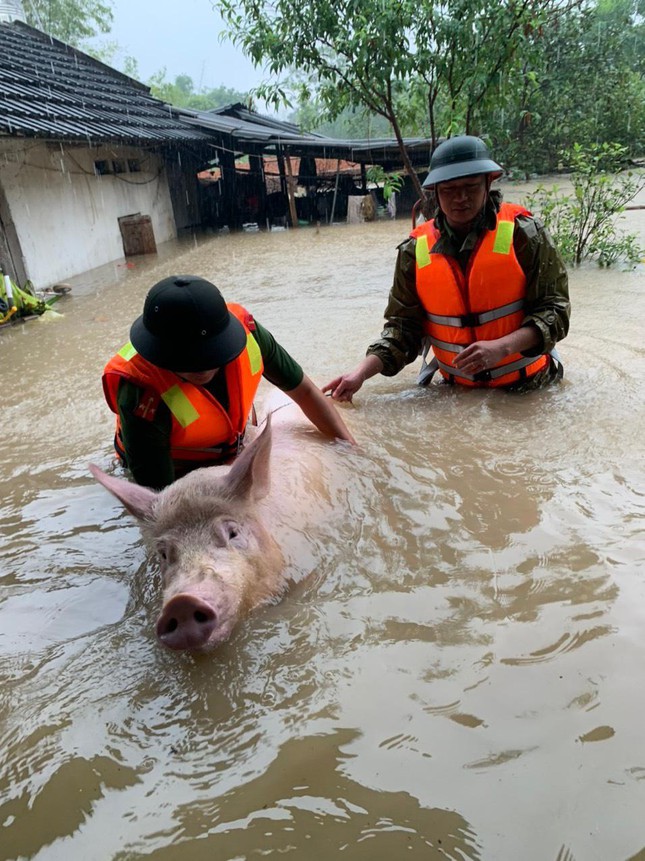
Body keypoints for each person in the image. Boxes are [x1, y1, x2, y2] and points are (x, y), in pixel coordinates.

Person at [324, 135, 570, 401]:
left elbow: (556, 312)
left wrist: (503, 347)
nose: (460, 198)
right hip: (457, 392)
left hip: (528, 389)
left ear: (488, 183)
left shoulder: (525, 233)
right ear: (436, 192)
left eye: (470, 187)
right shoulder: (414, 250)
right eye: (449, 190)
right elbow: (402, 330)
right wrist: (359, 373)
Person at [102, 275, 356, 489]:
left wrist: (352, 451)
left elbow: (306, 393)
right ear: (161, 353)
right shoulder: (140, 392)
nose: (201, 368)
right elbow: (159, 499)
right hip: (174, 465)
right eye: (188, 361)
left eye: (210, 355)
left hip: (230, 437)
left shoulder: (251, 335)